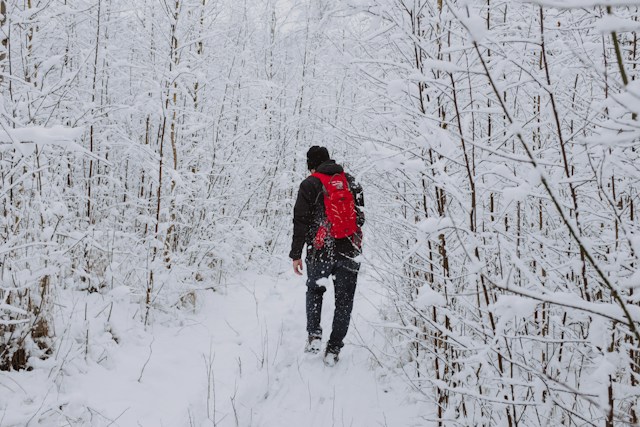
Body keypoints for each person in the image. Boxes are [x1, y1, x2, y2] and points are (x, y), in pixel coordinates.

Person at [289, 146, 365, 366]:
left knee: (315, 290)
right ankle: (333, 350)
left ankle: (314, 336)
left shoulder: (309, 184)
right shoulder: (351, 181)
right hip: (350, 250)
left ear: (311, 165)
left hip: (321, 250)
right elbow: (360, 218)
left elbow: (300, 221)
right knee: (344, 301)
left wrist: (296, 254)